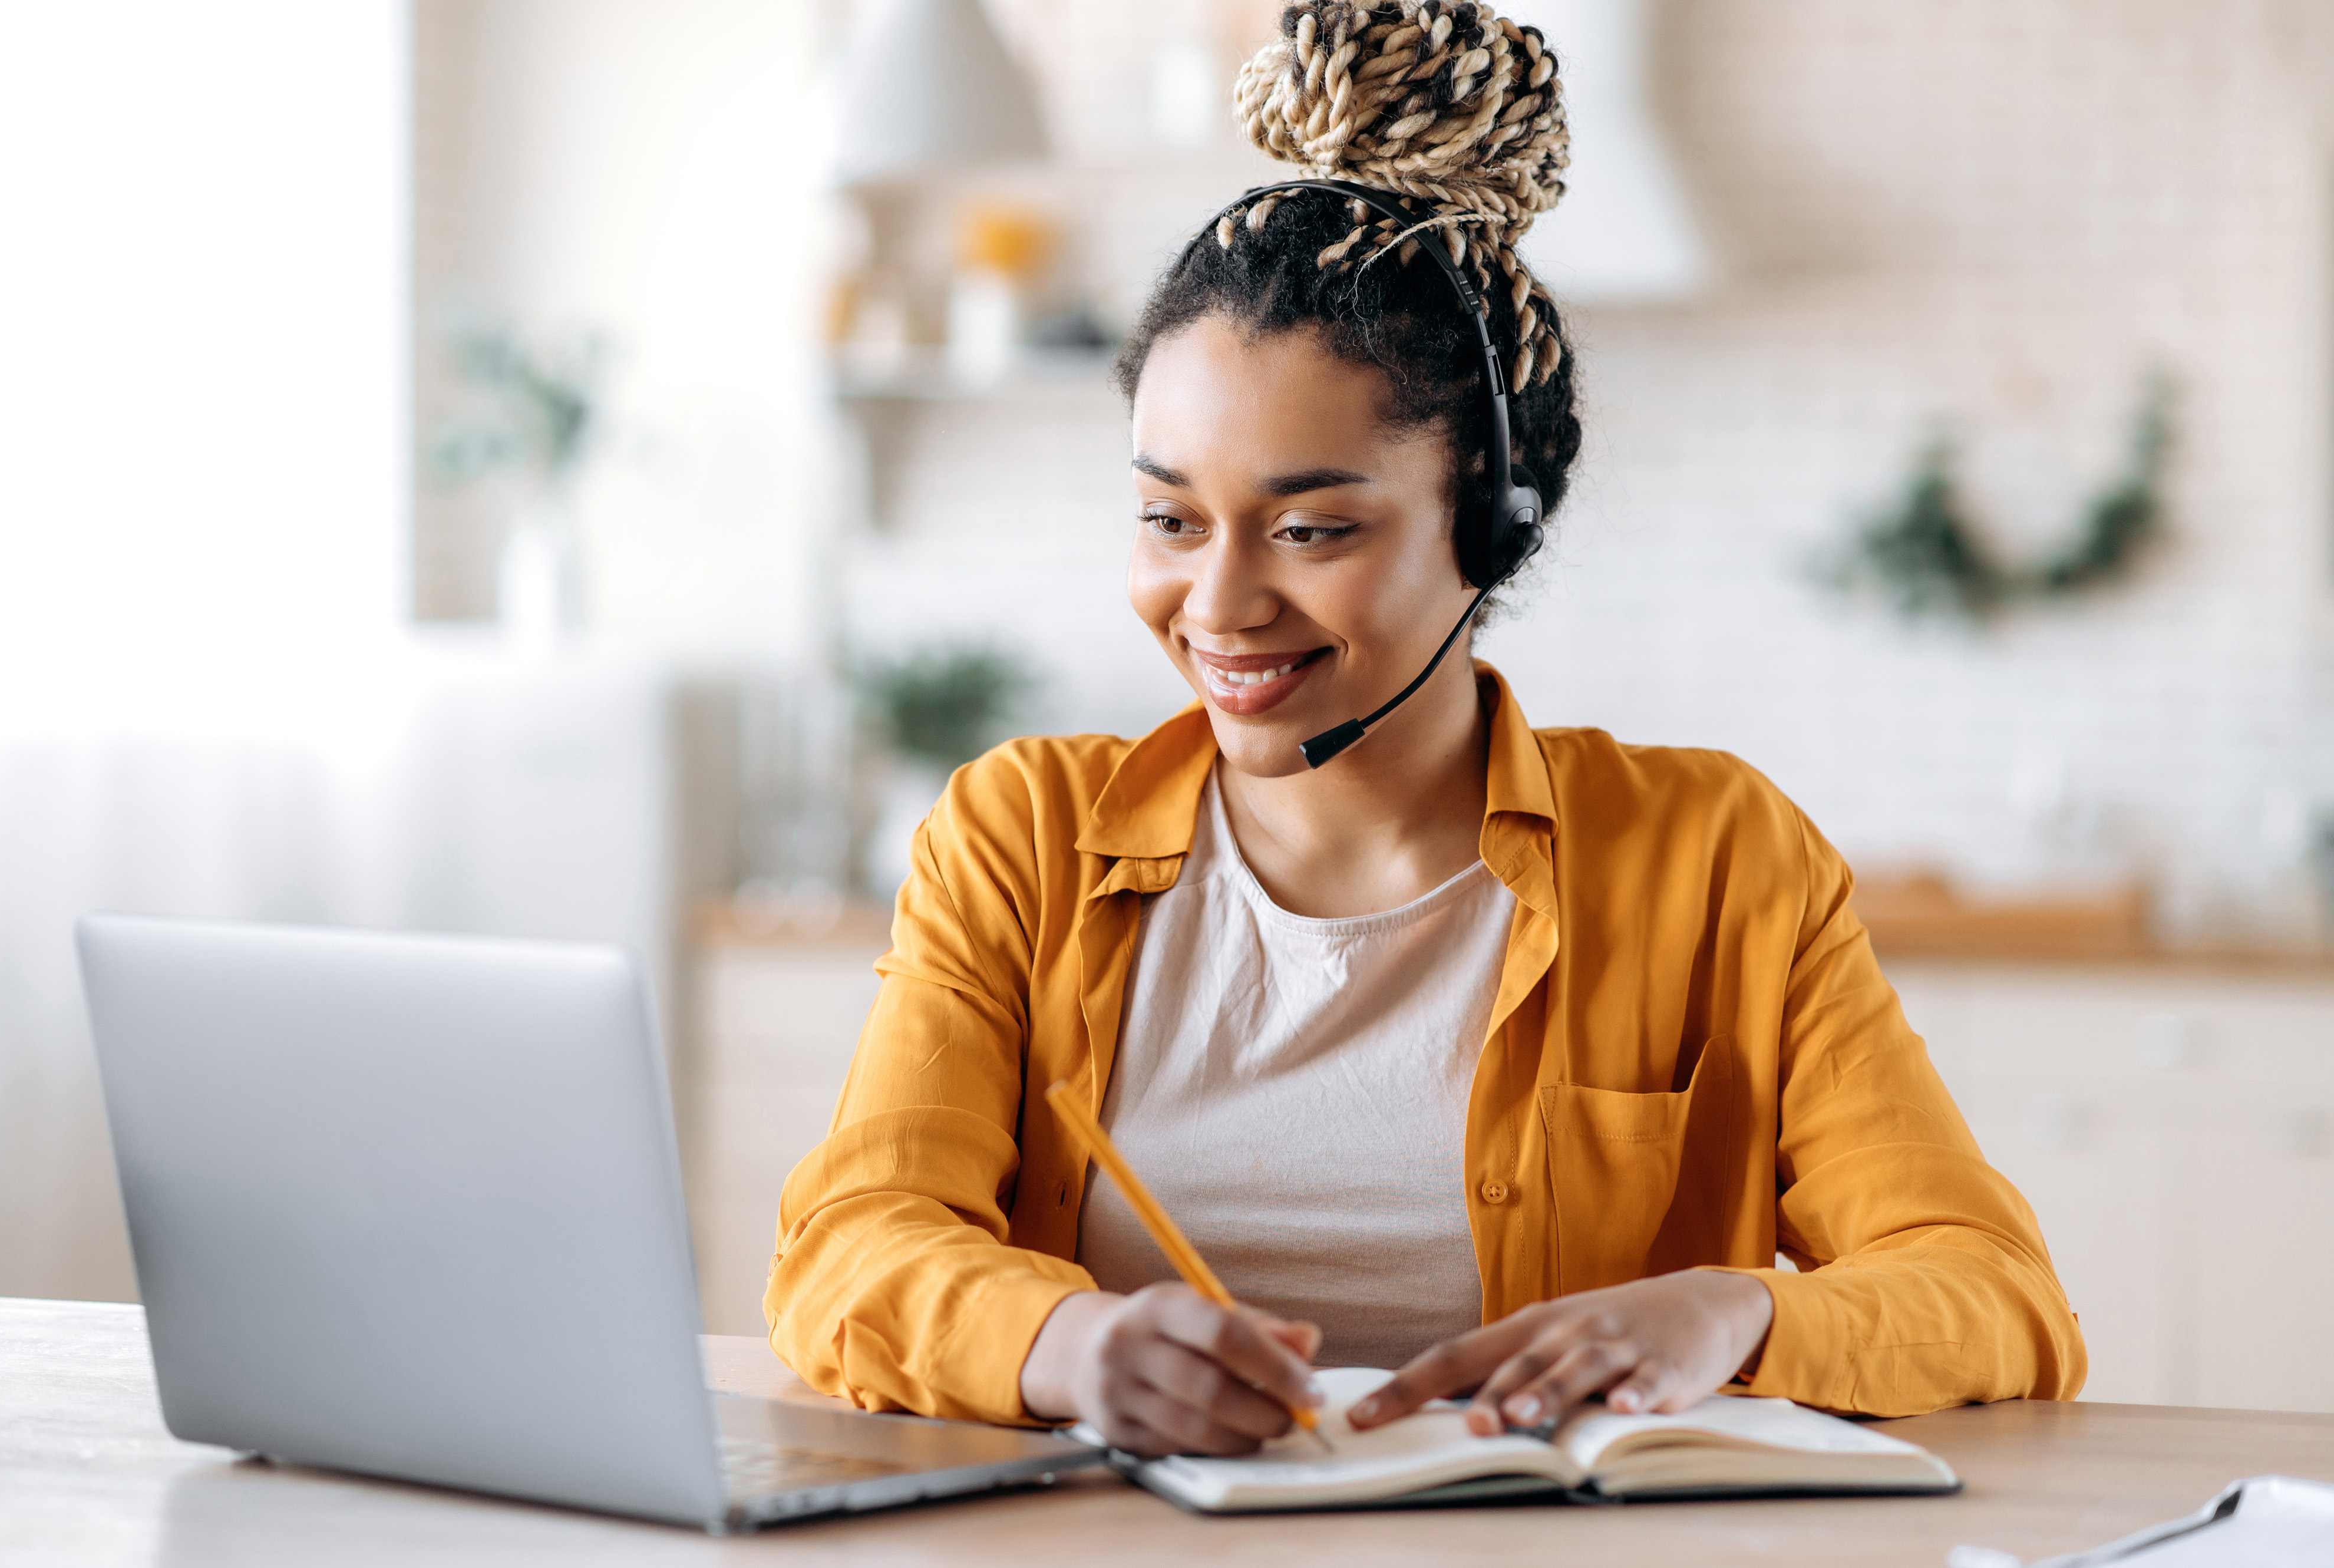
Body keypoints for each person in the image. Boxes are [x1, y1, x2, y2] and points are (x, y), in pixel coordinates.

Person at [768, 0, 2084, 1457]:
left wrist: (1733, 1314)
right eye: (1167, 517)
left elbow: (1996, 1295)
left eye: (1313, 525)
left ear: (1489, 527)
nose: (1217, 603)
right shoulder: (1016, 839)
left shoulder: (1716, 859)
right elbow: (848, 1245)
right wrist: (1067, 1344)